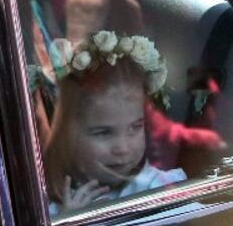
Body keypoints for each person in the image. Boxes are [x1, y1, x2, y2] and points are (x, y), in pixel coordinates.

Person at [43, 30, 186, 214]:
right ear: (67, 135)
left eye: (135, 127)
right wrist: (68, 220)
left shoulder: (157, 188)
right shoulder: (51, 208)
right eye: (104, 132)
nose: (123, 148)